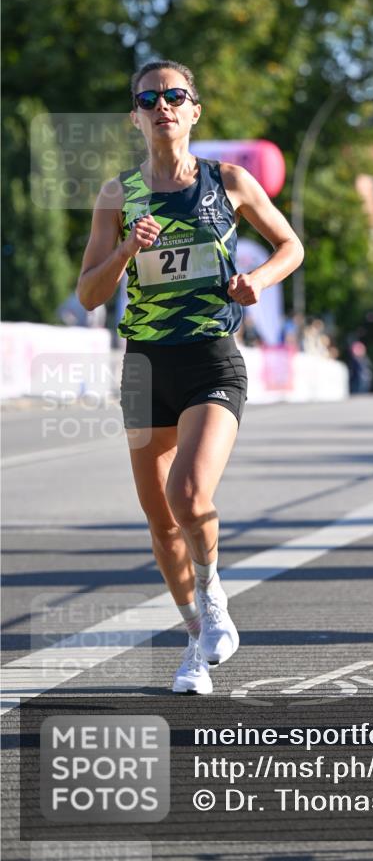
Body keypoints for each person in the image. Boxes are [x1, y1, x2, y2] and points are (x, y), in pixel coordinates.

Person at [76, 60, 304, 694]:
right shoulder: (118, 195)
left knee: (189, 494)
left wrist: (256, 281)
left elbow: (291, 245)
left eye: (175, 96)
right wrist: (125, 250)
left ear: (194, 110)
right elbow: (90, 293)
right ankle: (195, 647)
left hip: (209, 356)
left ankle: (214, 597)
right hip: (147, 364)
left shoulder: (228, 181)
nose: (162, 106)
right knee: (159, 521)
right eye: (149, 98)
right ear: (136, 116)